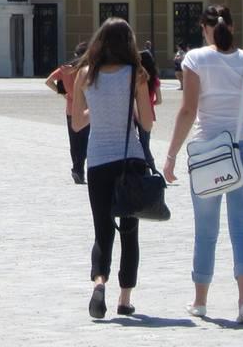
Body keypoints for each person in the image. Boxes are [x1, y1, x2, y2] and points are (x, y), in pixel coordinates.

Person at [161, 5, 243, 323]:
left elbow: (188, 111)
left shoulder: (195, 59)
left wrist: (171, 156)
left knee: (205, 232)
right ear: (232, 28)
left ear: (204, 29)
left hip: (208, 153)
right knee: (242, 231)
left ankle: (201, 301)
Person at [71, 18, 155, 321]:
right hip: (130, 158)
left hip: (98, 161)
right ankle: (125, 298)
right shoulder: (137, 75)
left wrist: (98, 109)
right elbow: (146, 123)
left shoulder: (84, 74)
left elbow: (78, 123)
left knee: (102, 230)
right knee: (129, 231)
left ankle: (99, 283)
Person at [47, 43, 91, 183]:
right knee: (83, 140)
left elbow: (48, 81)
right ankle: (79, 169)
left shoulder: (65, 68)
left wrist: (63, 93)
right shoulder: (85, 69)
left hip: (70, 108)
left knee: (74, 140)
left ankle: (76, 168)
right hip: (84, 107)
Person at [137, 49, 162, 168]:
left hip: (136, 112)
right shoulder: (155, 79)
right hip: (149, 112)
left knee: (136, 142)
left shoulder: (138, 77)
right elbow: (159, 100)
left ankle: (148, 167)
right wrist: (150, 103)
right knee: (145, 142)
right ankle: (151, 167)